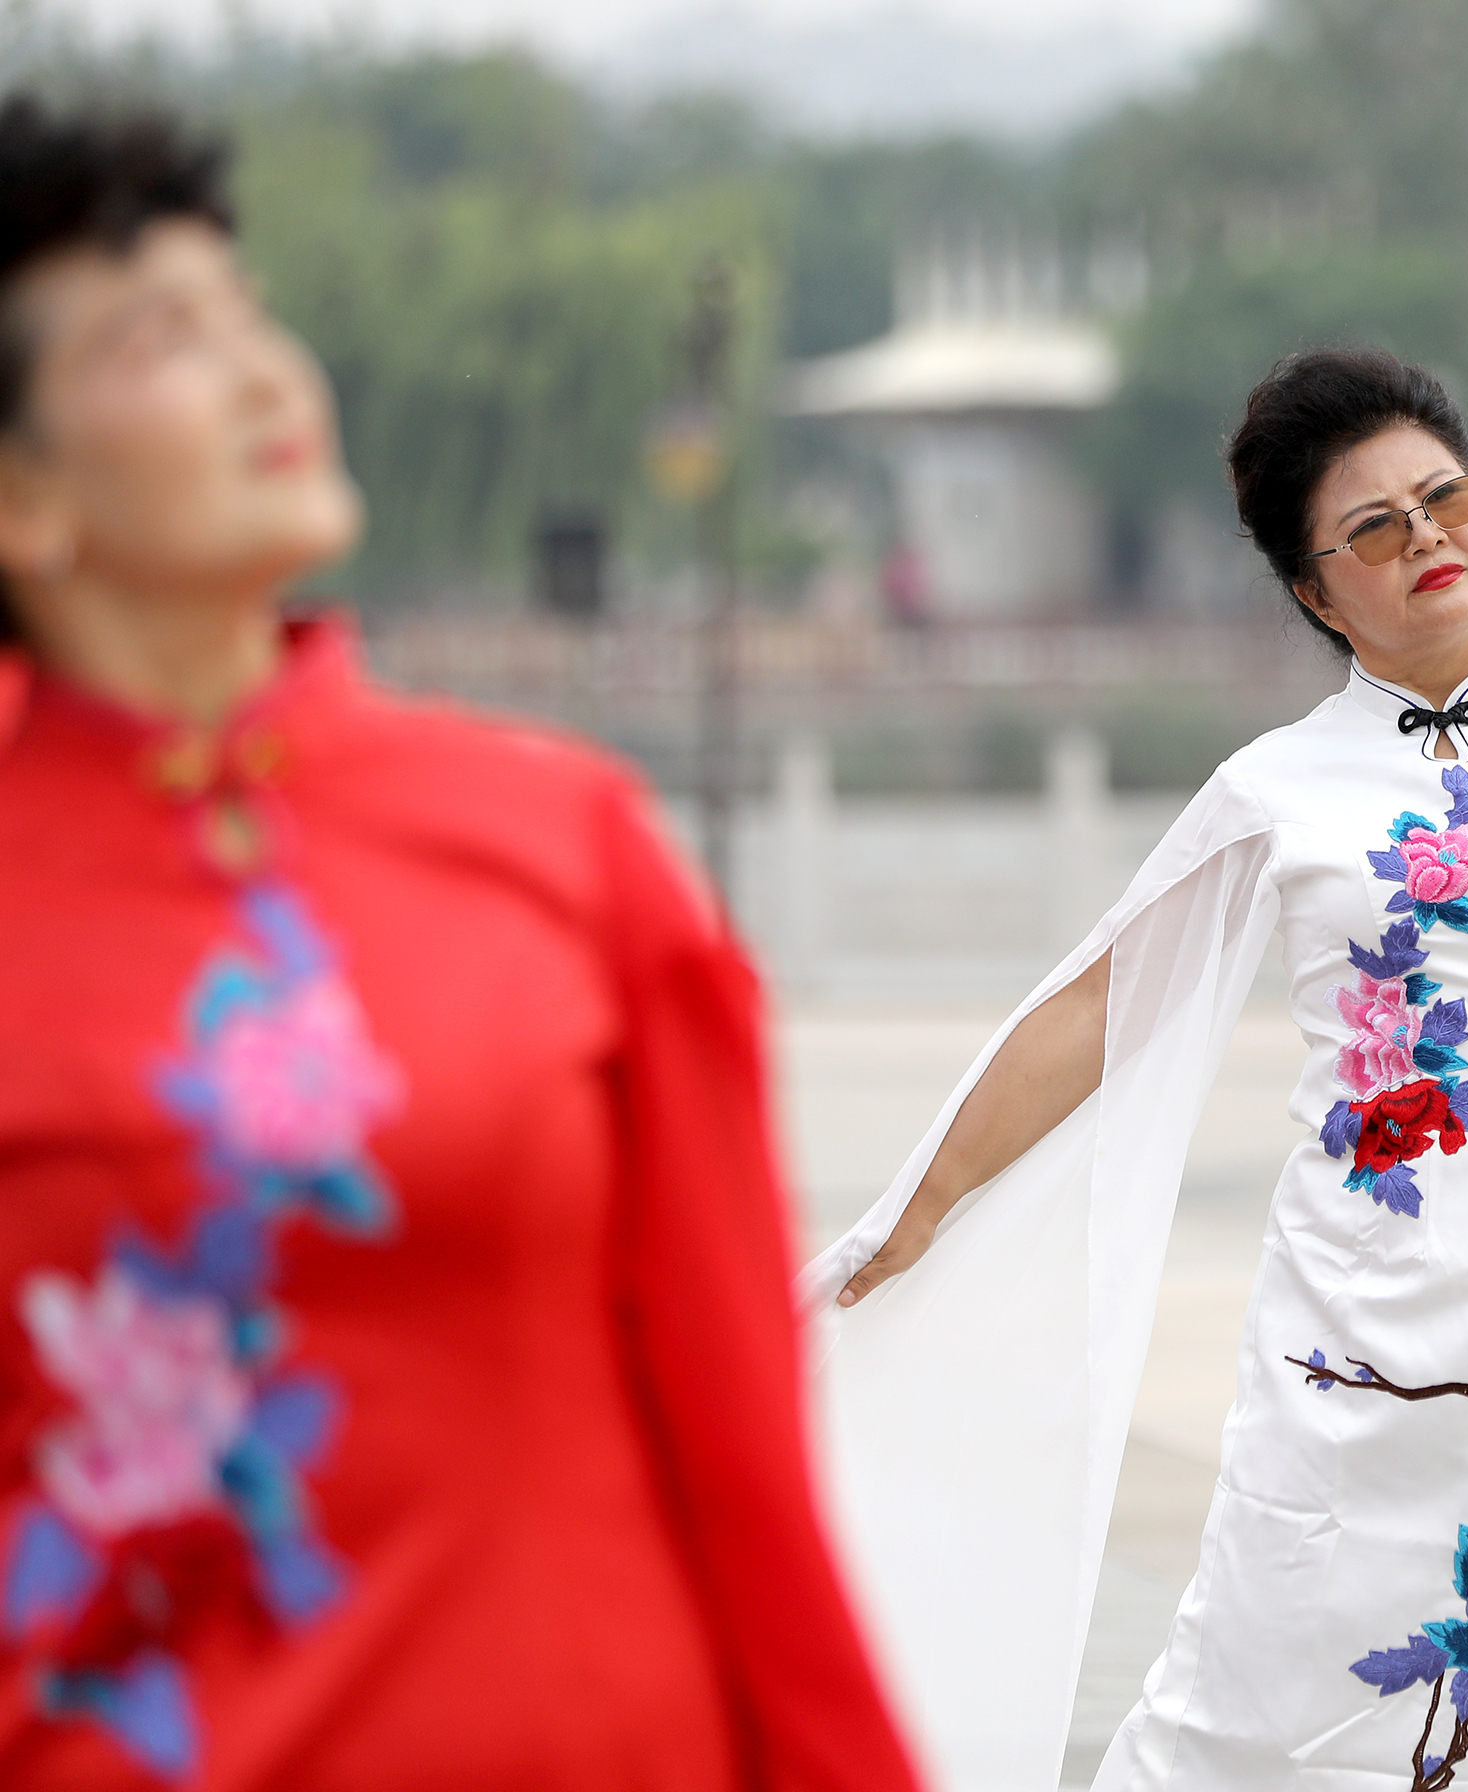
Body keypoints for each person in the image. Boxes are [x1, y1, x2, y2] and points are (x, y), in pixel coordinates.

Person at [804, 346, 1468, 1792]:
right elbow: (1100, 1005)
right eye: (1374, 528)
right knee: (1242, 1708)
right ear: (1318, 594)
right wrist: (925, 1204)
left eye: (1448, 500)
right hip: (1348, 1346)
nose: (1428, 538)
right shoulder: (1274, 790)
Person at [0, 98, 920, 1789]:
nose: (265, 373)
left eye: (248, 311)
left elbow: (747, 1462)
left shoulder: (562, 843)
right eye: (162, 338)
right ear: (21, 495)